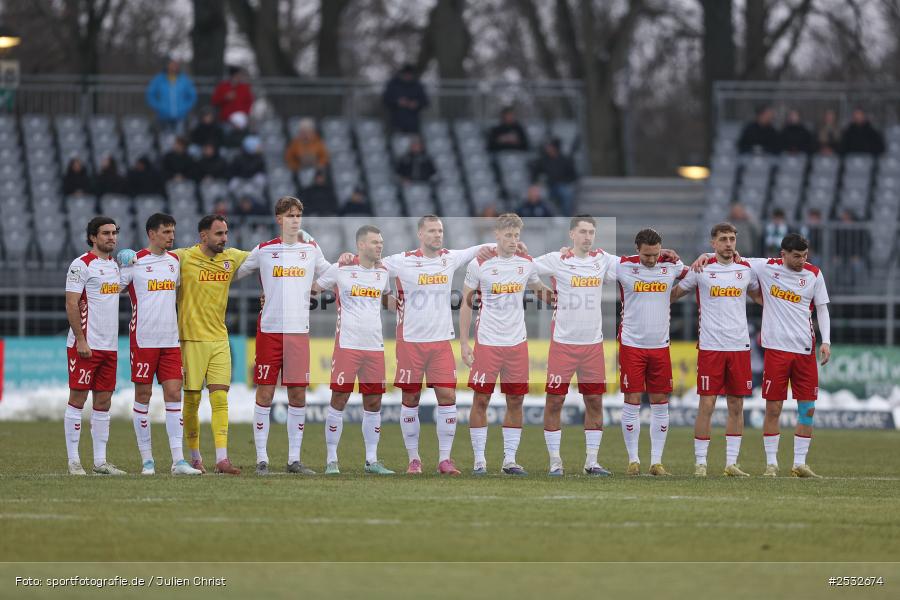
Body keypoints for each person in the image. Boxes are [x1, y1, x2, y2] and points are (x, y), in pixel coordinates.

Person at [374, 216, 510, 475]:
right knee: (410, 398)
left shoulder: (450, 257)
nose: (438, 235)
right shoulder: (401, 260)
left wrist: (507, 244)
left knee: (448, 397)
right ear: (420, 234)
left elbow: (481, 248)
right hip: (410, 342)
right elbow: (372, 265)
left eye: (440, 231)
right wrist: (385, 296)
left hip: (441, 343)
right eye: (432, 231)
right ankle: (414, 459)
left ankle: (444, 460)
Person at [691, 233, 831, 478]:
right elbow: (732, 258)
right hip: (776, 350)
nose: (801, 261)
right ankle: (772, 464)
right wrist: (706, 256)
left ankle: (799, 463)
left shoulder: (814, 274)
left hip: (805, 351)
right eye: (796, 256)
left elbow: (822, 308)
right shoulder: (765, 267)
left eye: (805, 256)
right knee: (773, 408)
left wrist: (826, 341)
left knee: (807, 409)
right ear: (783, 255)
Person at [235, 198, 327, 476]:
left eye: (298, 215)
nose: (295, 220)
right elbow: (235, 274)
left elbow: (331, 272)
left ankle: (293, 460)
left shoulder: (311, 249)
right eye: (289, 215)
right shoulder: (264, 251)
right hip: (270, 332)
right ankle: (261, 458)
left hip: (299, 333)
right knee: (265, 392)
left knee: (298, 394)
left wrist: (320, 284)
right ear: (278, 219)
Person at [460, 213, 552, 476]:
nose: (513, 240)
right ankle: (479, 460)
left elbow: (540, 291)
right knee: (481, 399)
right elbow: (466, 306)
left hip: (517, 344)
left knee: (515, 400)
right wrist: (465, 343)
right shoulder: (479, 264)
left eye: (517, 236)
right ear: (497, 235)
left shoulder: (526, 263)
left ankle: (509, 460)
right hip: (488, 342)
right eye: (509, 235)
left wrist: (565, 295)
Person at [671, 222, 761, 477]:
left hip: (739, 347)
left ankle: (731, 463)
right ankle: (700, 463)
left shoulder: (746, 270)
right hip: (711, 347)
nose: (728, 243)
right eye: (723, 239)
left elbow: (759, 296)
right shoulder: (701, 269)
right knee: (707, 404)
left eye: (732, 238)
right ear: (713, 243)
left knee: (736, 404)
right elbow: (675, 293)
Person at [533, 216, 619, 477]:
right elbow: (526, 271)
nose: (588, 237)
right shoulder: (557, 260)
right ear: (572, 234)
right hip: (563, 344)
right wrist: (544, 292)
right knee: (555, 401)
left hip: (593, 344)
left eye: (592, 232)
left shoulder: (602, 260)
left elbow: (633, 266)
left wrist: (666, 257)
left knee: (594, 400)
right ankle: (555, 462)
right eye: (583, 232)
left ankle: (592, 462)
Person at [120, 213, 201, 476]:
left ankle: (178, 461)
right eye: (166, 232)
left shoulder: (174, 262)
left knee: (174, 395)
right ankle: (147, 461)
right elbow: (112, 288)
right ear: (151, 233)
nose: (171, 236)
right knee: (143, 397)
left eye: (173, 231)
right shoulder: (134, 262)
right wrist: (116, 261)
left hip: (170, 341)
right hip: (143, 340)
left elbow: (176, 293)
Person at [172, 215, 251, 475]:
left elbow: (264, 256)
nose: (224, 238)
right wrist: (131, 256)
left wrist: (302, 242)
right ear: (203, 235)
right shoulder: (183, 257)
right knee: (192, 400)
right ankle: (195, 458)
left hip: (219, 339)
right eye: (218, 234)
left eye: (226, 233)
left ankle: (222, 459)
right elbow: (153, 260)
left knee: (220, 398)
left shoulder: (231, 258)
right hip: (191, 339)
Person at [315, 226, 395, 475]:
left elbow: (389, 302)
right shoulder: (341, 268)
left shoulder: (383, 272)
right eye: (374, 242)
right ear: (361, 245)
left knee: (374, 401)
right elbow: (314, 288)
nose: (379, 246)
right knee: (339, 399)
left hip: (374, 347)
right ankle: (331, 460)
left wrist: (405, 299)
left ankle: (371, 461)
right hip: (347, 346)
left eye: (381, 242)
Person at [615, 228, 687, 476]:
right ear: (637, 250)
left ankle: (656, 462)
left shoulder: (672, 266)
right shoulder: (622, 266)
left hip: (660, 346)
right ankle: (633, 460)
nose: (652, 259)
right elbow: (594, 260)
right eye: (647, 255)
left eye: (656, 254)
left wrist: (681, 259)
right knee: (632, 401)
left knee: (660, 402)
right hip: (631, 345)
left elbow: (697, 275)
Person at [63, 216, 125, 475]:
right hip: (86, 344)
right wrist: (80, 339)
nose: (111, 237)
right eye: (106, 233)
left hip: (109, 345)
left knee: (104, 400)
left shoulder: (115, 266)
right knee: (78, 398)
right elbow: (71, 303)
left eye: (114, 233)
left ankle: (100, 462)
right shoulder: (81, 265)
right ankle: (74, 461)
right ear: (93, 237)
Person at [145, 58, 197, 133]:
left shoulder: (184, 79)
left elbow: (192, 96)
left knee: (179, 139)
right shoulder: (159, 79)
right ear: (167, 66)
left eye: (175, 65)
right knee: (165, 140)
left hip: (181, 117)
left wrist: (185, 107)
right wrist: (158, 107)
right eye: (171, 64)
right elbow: (150, 95)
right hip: (163, 117)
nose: (173, 67)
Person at [530, 139, 577, 215]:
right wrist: (537, 182)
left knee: (566, 194)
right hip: (547, 185)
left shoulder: (565, 160)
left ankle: (567, 217)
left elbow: (573, 176)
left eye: (549, 146)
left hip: (561, 185)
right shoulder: (544, 160)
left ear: (555, 148)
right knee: (539, 193)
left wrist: (564, 182)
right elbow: (535, 172)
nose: (547, 148)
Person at [382, 64, 429, 134]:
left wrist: (417, 104)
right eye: (406, 74)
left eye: (410, 74)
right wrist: (397, 102)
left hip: (413, 123)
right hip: (396, 122)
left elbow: (425, 101)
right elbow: (385, 100)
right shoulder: (393, 84)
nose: (408, 76)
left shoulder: (417, 85)